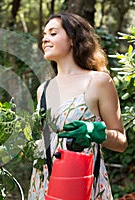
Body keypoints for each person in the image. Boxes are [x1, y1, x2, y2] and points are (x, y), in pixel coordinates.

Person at [28, 13, 128, 200]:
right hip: (44, 184)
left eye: (53, 33)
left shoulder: (99, 81)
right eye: (44, 35)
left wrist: (95, 132)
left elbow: (121, 141)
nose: (45, 39)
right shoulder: (44, 89)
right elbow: (46, 142)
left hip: (83, 185)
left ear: (73, 39)